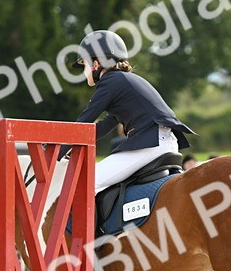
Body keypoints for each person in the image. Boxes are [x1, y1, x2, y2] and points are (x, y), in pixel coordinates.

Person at [71, 29, 194, 193]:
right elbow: (102, 127)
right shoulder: (124, 81)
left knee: (84, 184)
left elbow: (82, 124)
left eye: (84, 64)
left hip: (150, 145)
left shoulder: (109, 82)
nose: (84, 71)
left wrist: (53, 157)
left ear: (95, 64)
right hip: (168, 142)